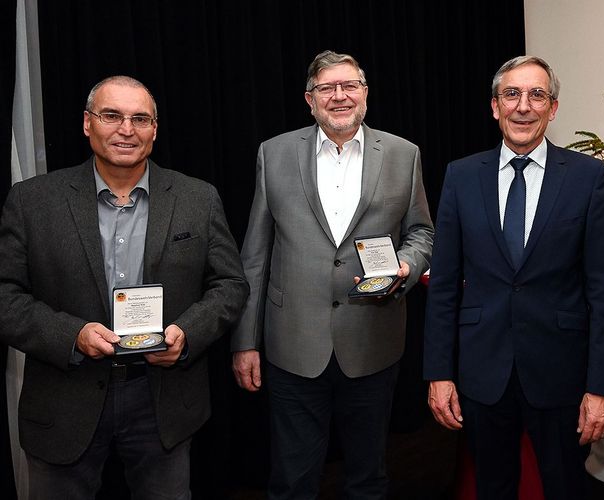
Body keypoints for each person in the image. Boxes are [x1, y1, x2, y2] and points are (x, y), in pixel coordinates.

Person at [0, 75, 248, 499]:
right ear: (87, 123)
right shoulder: (31, 201)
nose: (126, 130)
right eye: (112, 115)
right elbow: (6, 296)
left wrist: (188, 333)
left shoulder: (197, 198)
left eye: (140, 119)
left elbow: (230, 284)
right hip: (65, 398)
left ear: (155, 129)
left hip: (163, 401)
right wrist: (72, 335)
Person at [230, 50, 434, 499]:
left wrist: (407, 264)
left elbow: (422, 231)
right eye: (327, 88)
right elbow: (255, 255)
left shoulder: (404, 154)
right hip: (293, 343)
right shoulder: (275, 153)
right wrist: (246, 341)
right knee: (292, 478)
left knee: (368, 477)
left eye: (349, 86)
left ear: (365, 94)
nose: (339, 96)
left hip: (373, 340)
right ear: (310, 99)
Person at [423, 55, 604, 499]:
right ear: (494, 106)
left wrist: (601, 387)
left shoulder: (587, 177)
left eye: (537, 95)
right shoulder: (460, 176)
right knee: (493, 487)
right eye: (511, 94)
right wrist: (439, 373)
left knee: (566, 487)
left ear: (553, 108)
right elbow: (443, 289)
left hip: (561, 373)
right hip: (482, 372)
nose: (523, 106)